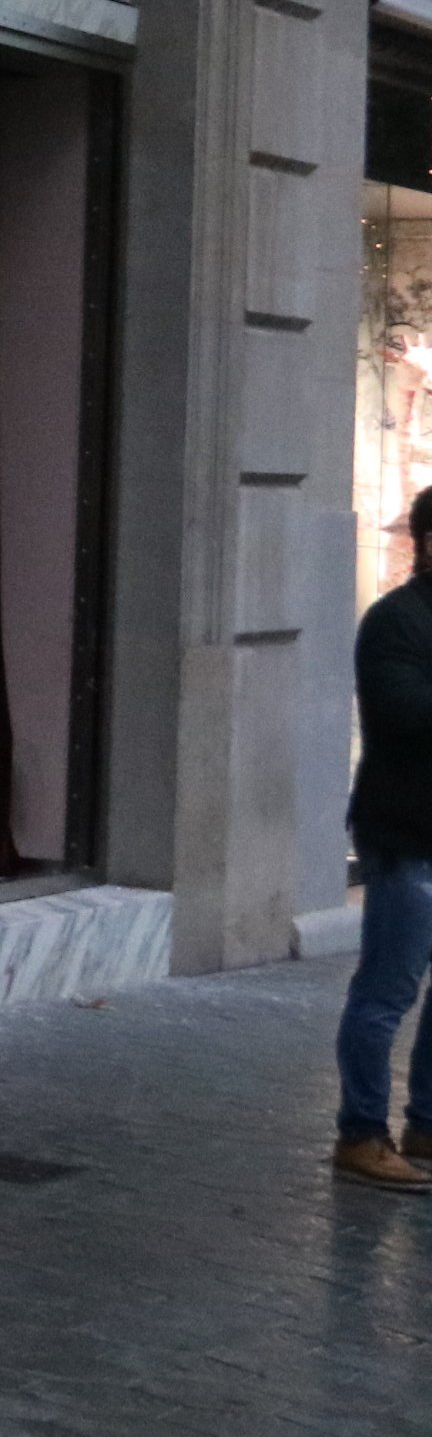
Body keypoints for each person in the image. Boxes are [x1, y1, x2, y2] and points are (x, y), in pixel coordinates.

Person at [336, 485, 432, 1190]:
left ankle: (425, 1125)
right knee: (386, 991)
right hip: (405, 834)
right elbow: (403, 717)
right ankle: (361, 1133)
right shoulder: (395, 621)